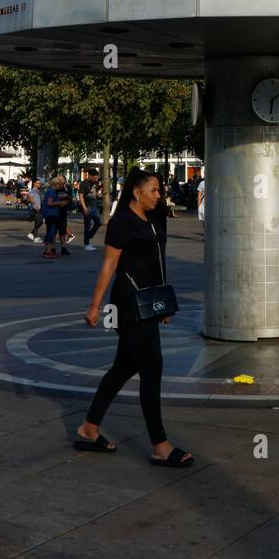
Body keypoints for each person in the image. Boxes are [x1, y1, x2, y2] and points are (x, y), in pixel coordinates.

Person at [77, 166, 194, 468]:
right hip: (128, 303)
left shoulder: (155, 218)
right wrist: (94, 306)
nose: (159, 195)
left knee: (124, 366)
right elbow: (109, 266)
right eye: (153, 190)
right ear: (136, 192)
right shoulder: (121, 223)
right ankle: (160, 444)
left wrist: (163, 303)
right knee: (152, 366)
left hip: (150, 301)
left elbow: (159, 261)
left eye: (159, 189)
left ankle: (89, 428)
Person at [41, 173, 73, 259]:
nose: (62, 186)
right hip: (51, 214)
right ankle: (48, 252)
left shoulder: (53, 191)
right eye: (61, 184)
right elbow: (50, 203)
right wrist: (61, 202)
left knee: (50, 233)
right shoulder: (52, 191)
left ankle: (47, 251)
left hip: (51, 213)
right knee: (51, 233)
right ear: (57, 184)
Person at [80, 169, 102, 252]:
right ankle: (87, 244)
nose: (96, 179)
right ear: (89, 176)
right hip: (87, 207)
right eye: (94, 178)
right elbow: (81, 196)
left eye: (96, 178)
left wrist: (98, 194)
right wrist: (84, 208)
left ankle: (89, 236)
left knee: (98, 222)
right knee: (87, 226)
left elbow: (94, 193)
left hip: (94, 206)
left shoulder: (94, 183)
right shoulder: (84, 184)